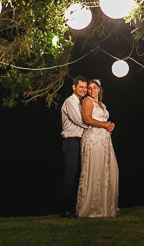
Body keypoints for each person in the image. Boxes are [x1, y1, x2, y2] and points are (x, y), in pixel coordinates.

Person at [76, 78, 118, 217]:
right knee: (94, 169)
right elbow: (87, 119)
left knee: (106, 170)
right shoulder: (88, 101)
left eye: (94, 87)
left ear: (99, 89)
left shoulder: (102, 104)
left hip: (104, 140)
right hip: (93, 139)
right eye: (89, 88)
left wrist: (110, 125)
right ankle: (92, 207)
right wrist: (105, 125)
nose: (92, 90)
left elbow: (103, 120)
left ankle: (104, 206)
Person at [60, 76, 88, 218]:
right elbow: (81, 121)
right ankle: (65, 209)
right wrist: (99, 126)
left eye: (85, 87)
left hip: (80, 141)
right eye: (81, 87)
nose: (84, 89)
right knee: (70, 175)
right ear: (74, 87)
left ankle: (75, 208)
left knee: (79, 176)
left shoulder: (81, 102)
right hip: (71, 141)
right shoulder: (70, 102)